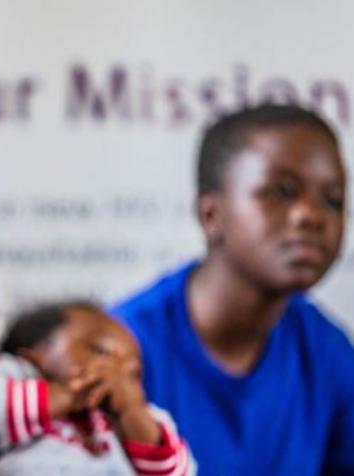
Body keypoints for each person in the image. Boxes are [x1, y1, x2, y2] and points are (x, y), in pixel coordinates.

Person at [111, 104, 354, 475]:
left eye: (333, 200)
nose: (312, 216)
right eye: (283, 191)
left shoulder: (329, 353)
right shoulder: (124, 348)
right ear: (212, 215)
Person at [0, 301, 192, 475]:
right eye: (101, 351)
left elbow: (175, 471)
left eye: (132, 373)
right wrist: (64, 394)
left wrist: (132, 410)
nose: (116, 372)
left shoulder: (133, 418)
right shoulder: (14, 375)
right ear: (36, 354)